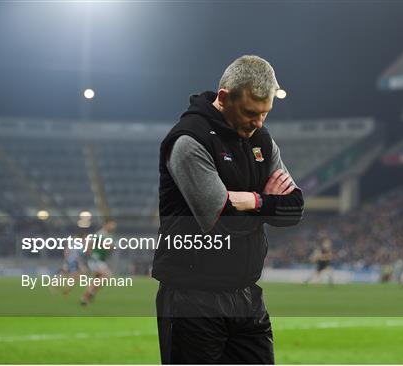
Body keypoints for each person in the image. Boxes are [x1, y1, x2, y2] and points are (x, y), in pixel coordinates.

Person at [152, 55, 304, 364]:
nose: (258, 122)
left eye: (265, 113)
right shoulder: (188, 140)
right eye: (251, 112)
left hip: (247, 297)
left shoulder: (261, 139)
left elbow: (294, 207)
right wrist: (263, 204)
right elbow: (221, 220)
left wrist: (254, 201)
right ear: (224, 98)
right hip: (193, 299)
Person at [80, 220, 116, 305]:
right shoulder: (100, 234)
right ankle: (87, 295)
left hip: (101, 260)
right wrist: (90, 253)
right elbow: (90, 243)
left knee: (98, 280)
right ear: (106, 225)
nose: (113, 227)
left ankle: (88, 295)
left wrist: (110, 248)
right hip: (96, 260)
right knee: (107, 275)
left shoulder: (109, 236)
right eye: (112, 225)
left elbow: (109, 248)